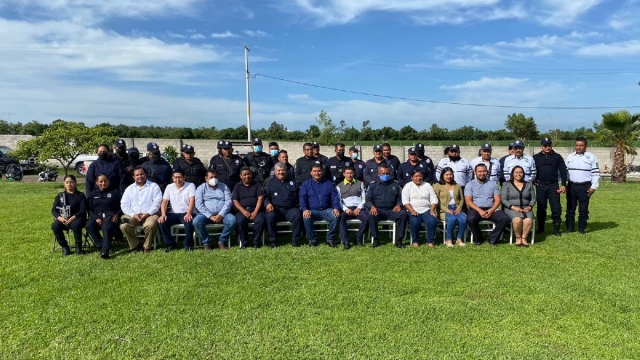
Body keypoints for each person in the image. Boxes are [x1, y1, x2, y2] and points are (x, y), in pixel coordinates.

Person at [464, 164, 511, 246]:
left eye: (484, 171)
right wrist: (480, 210)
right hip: (476, 209)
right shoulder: (470, 184)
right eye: (480, 171)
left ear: (487, 172)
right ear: (475, 172)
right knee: (471, 219)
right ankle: (478, 239)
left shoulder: (493, 184)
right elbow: (468, 201)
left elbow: (497, 199)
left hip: (490, 208)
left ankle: (492, 238)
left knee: (505, 218)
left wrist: (492, 210)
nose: (482, 173)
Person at [119, 167, 162, 253]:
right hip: (134, 215)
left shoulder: (154, 186)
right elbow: (124, 205)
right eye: (137, 175)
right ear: (134, 177)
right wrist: (133, 215)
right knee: (124, 226)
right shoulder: (129, 189)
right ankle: (136, 245)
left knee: (150, 225)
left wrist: (147, 213)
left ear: (146, 175)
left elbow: (157, 203)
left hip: (151, 214)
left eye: (142, 174)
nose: (140, 176)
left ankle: (147, 246)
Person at [366, 163, 408, 248]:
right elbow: (368, 200)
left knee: (403, 214)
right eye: (383, 173)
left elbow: (400, 198)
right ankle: (376, 239)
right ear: (378, 174)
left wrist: (399, 205)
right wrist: (372, 206)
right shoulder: (373, 185)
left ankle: (399, 239)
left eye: (387, 173)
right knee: (371, 215)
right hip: (378, 210)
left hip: (391, 210)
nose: (385, 175)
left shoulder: (395, 184)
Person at [299, 164, 341, 247]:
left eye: (318, 171)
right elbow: (302, 198)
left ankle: (330, 239)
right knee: (306, 217)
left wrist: (336, 207)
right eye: (314, 171)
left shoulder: (329, 183)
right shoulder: (306, 184)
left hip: (326, 210)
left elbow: (335, 197)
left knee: (335, 216)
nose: (317, 173)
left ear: (322, 172)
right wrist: (305, 209)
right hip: (312, 210)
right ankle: (313, 240)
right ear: (311, 173)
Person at [532, 137, 568, 236]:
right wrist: (533, 180)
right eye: (545, 145)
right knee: (541, 207)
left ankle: (556, 229)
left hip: (553, 185)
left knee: (556, 207)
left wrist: (564, 185)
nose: (547, 147)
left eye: (549, 145)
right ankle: (541, 228)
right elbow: (531, 171)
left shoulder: (557, 157)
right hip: (540, 185)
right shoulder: (535, 157)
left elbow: (563, 171)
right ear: (541, 146)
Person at [193, 169, 236, 249]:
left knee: (232, 220)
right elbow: (199, 204)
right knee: (197, 221)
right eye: (211, 177)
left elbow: (228, 201)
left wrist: (221, 214)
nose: (213, 179)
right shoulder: (201, 188)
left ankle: (222, 241)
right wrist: (210, 216)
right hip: (205, 214)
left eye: (215, 177)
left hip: (223, 213)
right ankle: (207, 243)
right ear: (206, 178)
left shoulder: (224, 186)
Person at [565, 137, 600, 234]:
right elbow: (565, 172)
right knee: (570, 209)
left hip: (585, 186)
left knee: (583, 209)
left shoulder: (591, 157)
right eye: (577, 145)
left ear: (585, 146)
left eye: (581, 145)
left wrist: (593, 186)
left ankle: (581, 229)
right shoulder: (570, 156)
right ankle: (570, 228)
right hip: (571, 186)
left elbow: (596, 173)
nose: (578, 147)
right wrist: (564, 185)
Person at [157, 169, 196, 252]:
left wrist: (189, 213)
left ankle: (188, 245)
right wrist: (163, 214)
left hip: (186, 212)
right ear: (172, 178)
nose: (178, 180)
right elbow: (164, 201)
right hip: (173, 214)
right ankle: (171, 244)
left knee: (189, 221)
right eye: (175, 177)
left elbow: (192, 200)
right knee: (162, 221)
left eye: (180, 177)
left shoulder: (190, 185)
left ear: (184, 177)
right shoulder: (169, 187)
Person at [264, 162, 302, 247]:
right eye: (279, 170)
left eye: (283, 170)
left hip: (290, 209)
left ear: (286, 171)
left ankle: (295, 241)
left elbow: (299, 196)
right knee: (269, 217)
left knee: (297, 215)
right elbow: (266, 197)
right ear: (275, 171)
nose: (281, 172)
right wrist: (268, 204)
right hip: (276, 209)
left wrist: (301, 206)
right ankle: (273, 241)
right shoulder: (270, 183)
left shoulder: (293, 182)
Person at [86, 174, 122, 259]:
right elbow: (89, 210)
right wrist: (96, 218)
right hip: (96, 216)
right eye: (101, 181)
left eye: (105, 181)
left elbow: (123, 206)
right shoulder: (92, 194)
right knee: (89, 225)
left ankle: (105, 251)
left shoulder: (115, 192)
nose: (103, 183)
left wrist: (118, 214)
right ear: (96, 182)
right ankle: (101, 244)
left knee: (106, 227)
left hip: (111, 216)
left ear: (108, 181)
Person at [51, 175, 87, 256]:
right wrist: (60, 218)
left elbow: (83, 209)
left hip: (77, 219)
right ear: (64, 184)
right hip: (63, 219)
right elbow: (54, 210)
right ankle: (65, 247)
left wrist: (72, 218)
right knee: (55, 226)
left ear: (75, 183)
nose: (69, 184)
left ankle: (79, 248)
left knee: (76, 225)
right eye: (67, 182)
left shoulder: (80, 195)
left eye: (71, 182)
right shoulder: (60, 196)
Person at [402, 170, 438, 248]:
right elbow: (405, 201)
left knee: (432, 220)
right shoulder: (408, 186)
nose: (418, 178)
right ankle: (415, 241)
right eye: (416, 176)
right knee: (415, 221)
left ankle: (430, 241)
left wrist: (432, 209)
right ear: (412, 177)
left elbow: (434, 199)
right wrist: (412, 210)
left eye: (420, 176)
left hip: (426, 209)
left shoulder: (427, 185)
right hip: (413, 209)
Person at [501, 166, 536, 246]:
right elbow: (503, 199)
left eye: (520, 172)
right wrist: (513, 207)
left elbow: (533, 198)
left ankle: (524, 238)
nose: (518, 174)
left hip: (526, 208)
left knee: (528, 221)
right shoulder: (506, 184)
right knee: (517, 220)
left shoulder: (529, 184)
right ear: (512, 174)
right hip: (512, 208)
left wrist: (530, 207)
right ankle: (518, 238)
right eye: (516, 172)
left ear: (523, 174)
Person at [232, 167, 266, 249]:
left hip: (256, 210)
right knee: (240, 221)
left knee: (260, 221)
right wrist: (244, 211)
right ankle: (244, 242)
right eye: (244, 175)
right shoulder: (237, 186)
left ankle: (256, 242)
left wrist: (255, 212)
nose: (247, 176)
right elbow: (235, 201)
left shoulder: (257, 185)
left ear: (252, 175)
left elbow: (260, 198)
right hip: (242, 211)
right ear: (241, 176)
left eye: (249, 174)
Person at [433, 167, 466, 247]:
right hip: (443, 210)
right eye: (446, 174)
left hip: (456, 208)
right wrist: (446, 209)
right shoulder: (437, 186)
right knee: (452, 219)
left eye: (450, 174)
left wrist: (459, 208)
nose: (449, 176)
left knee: (464, 219)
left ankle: (459, 239)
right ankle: (449, 239)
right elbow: (435, 200)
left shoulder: (457, 185)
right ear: (442, 175)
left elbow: (462, 199)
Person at [336, 166, 368, 249]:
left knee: (367, 218)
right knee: (341, 218)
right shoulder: (339, 186)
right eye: (347, 173)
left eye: (351, 173)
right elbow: (338, 201)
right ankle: (346, 241)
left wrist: (359, 208)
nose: (349, 175)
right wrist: (345, 209)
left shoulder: (360, 183)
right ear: (344, 174)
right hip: (347, 209)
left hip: (358, 208)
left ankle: (358, 237)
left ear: (354, 173)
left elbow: (364, 198)